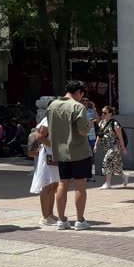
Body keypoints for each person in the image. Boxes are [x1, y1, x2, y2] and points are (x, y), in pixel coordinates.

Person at [48, 80, 94, 230]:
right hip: (79, 151)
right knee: (80, 184)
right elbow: (82, 131)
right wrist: (89, 126)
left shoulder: (53, 105)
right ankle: (80, 220)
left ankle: (61, 220)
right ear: (79, 92)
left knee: (62, 183)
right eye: (82, 94)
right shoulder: (78, 106)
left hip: (60, 152)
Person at [31, 116, 60, 226]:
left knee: (54, 185)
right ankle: (44, 216)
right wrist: (54, 146)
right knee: (46, 185)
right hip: (48, 155)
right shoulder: (48, 120)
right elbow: (39, 136)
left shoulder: (59, 119)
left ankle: (50, 213)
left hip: (56, 155)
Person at [95, 106, 129, 189]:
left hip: (114, 147)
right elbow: (99, 135)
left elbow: (120, 137)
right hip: (106, 147)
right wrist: (96, 145)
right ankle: (124, 175)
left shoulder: (115, 123)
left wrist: (123, 148)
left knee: (106, 161)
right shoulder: (101, 123)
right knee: (116, 167)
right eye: (102, 112)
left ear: (110, 114)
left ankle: (107, 183)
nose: (103, 114)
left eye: (105, 113)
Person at [82, 96, 99, 181]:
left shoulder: (91, 111)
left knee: (90, 156)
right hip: (81, 136)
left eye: (87, 100)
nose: (85, 102)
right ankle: (83, 175)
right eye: (83, 100)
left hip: (91, 136)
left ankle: (88, 175)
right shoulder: (79, 110)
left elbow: (99, 121)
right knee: (82, 156)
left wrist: (94, 108)